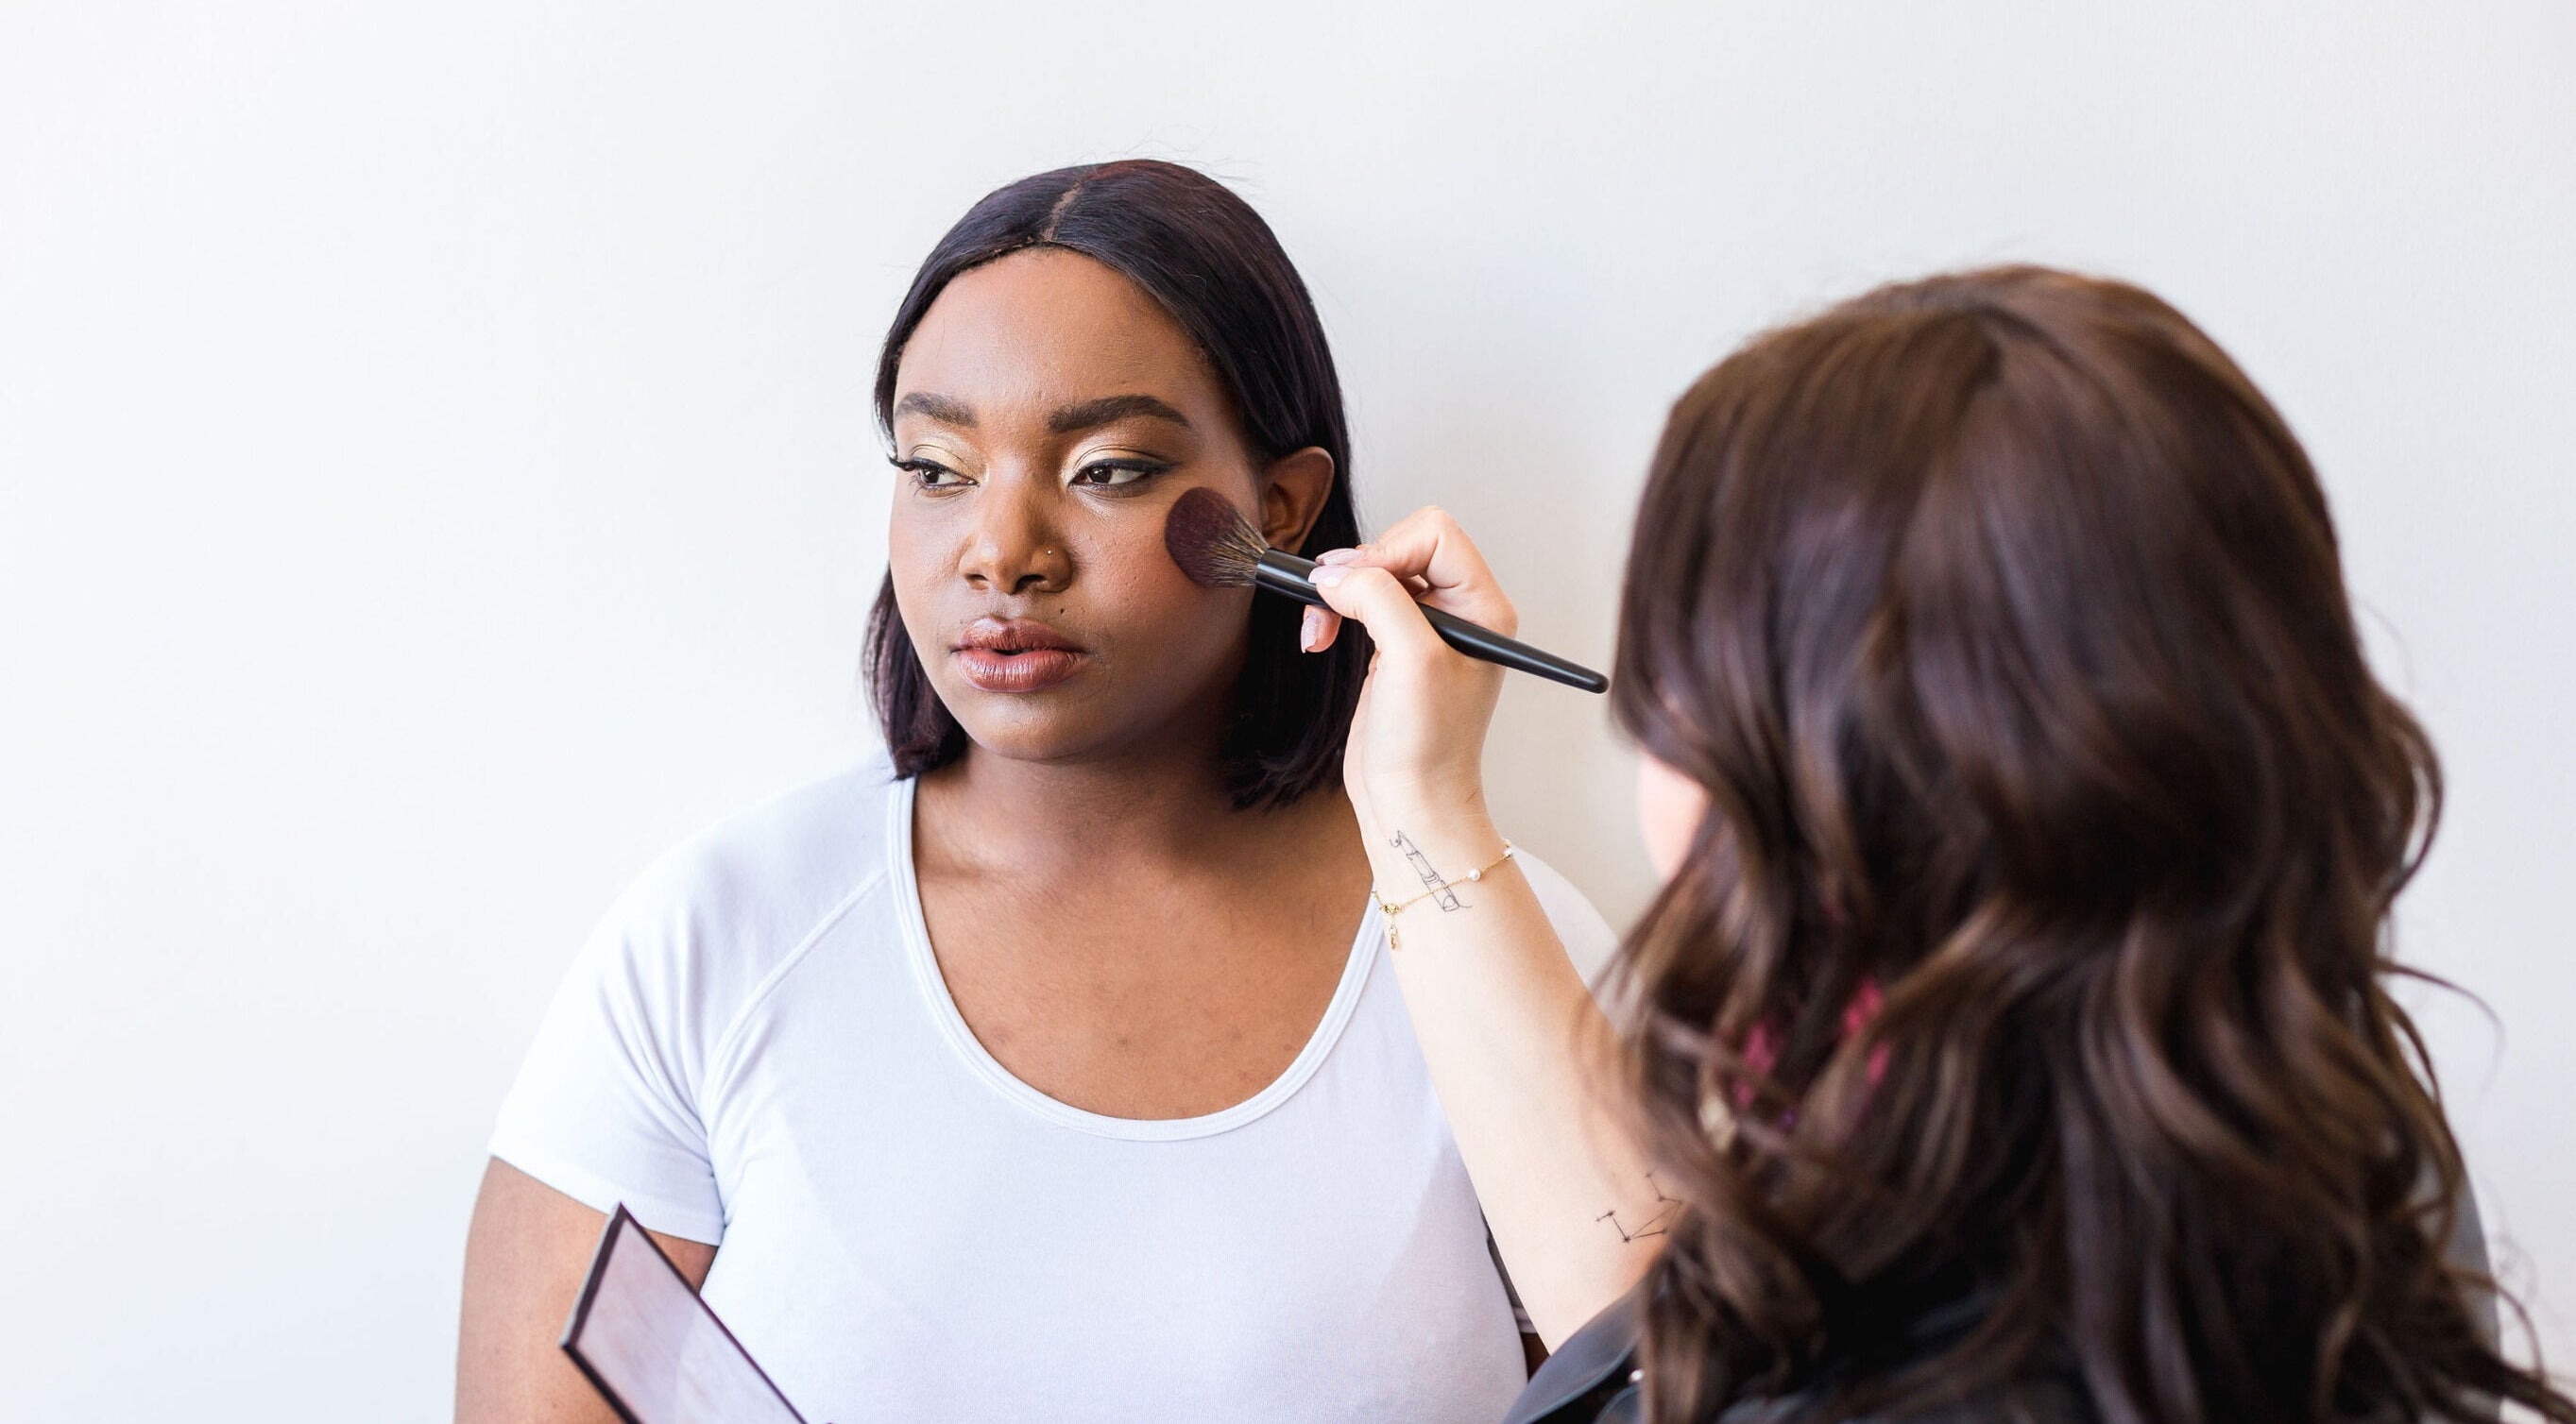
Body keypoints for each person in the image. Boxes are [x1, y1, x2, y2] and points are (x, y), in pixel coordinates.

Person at [452, 160, 1625, 1424]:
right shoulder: (713, 947)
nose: (1001, 552)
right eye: (937, 467)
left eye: (1106, 469)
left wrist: (1427, 813)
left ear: (1281, 511)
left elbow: (1692, 1374)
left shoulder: (1505, 949)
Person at [1304, 266, 2576, 1423]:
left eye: (1675, 702)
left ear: (1821, 791)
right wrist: (1422, 804)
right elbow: (1665, 1335)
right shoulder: (2323, 1143)